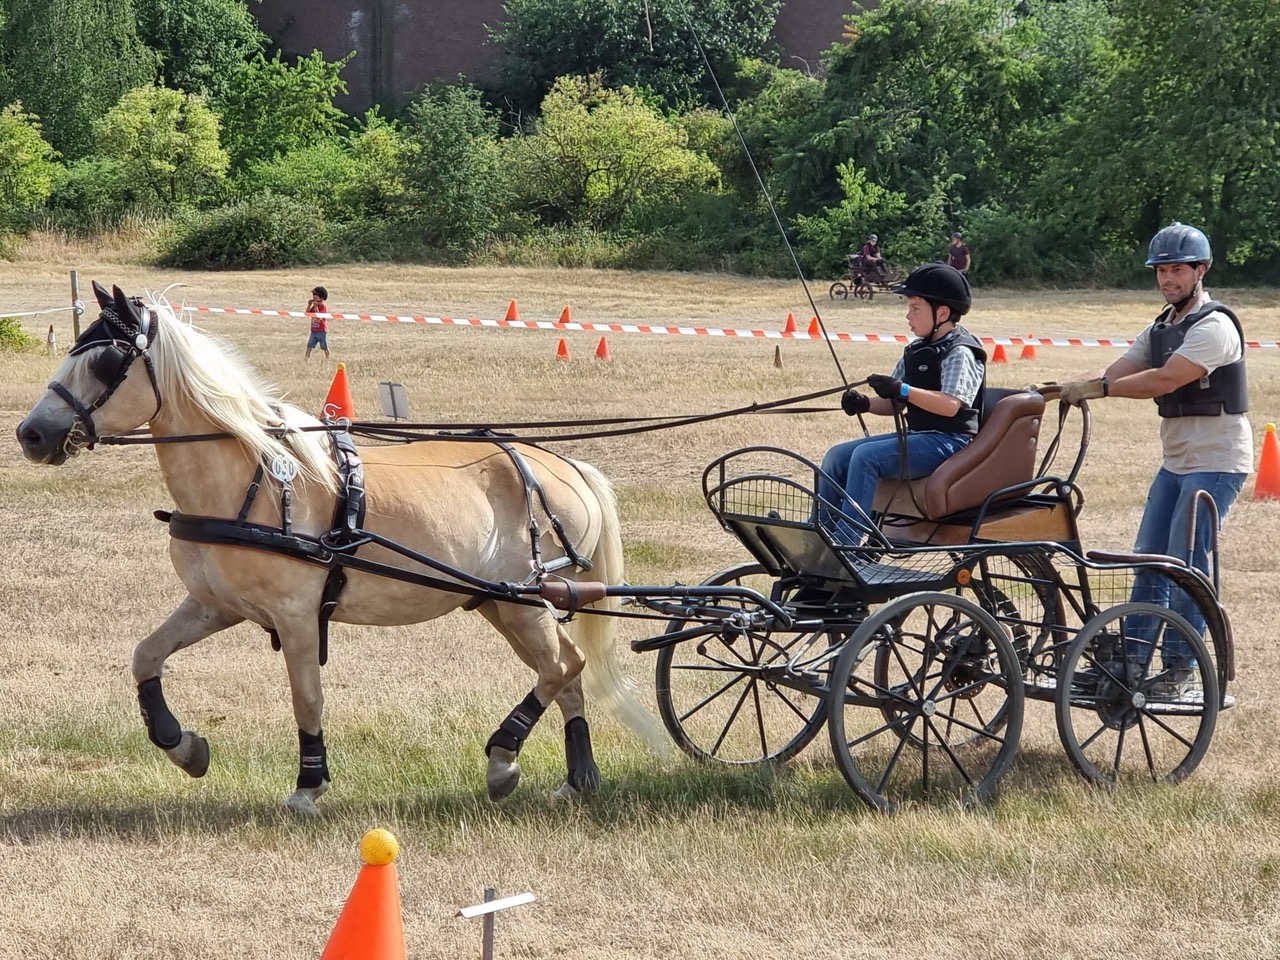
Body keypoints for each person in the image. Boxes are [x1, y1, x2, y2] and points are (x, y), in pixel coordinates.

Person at [1059, 222, 1251, 694]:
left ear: (1200, 271)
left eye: (1177, 270)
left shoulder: (1216, 326)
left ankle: (1183, 670)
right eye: (1161, 270)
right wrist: (1061, 387)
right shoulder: (1161, 326)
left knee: (1186, 562)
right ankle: (1132, 664)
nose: (1168, 279)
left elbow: (1164, 380)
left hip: (1218, 460)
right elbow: (1118, 371)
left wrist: (1101, 389)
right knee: (1148, 558)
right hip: (1177, 460)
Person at [818, 263, 985, 542]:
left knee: (866, 457)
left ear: (942, 313)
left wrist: (902, 389)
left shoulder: (960, 351)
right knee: (837, 455)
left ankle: (846, 543)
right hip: (919, 437)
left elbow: (951, 404)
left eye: (915, 308)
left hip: (950, 443)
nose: (908, 316)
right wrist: (865, 404)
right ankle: (820, 532)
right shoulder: (917, 350)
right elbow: (896, 403)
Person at [305, 285, 331, 360]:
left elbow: (319, 316)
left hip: (322, 330)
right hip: (314, 330)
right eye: (313, 299)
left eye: (316, 299)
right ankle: (306, 359)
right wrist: (309, 305)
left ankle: (328, 359)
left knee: (324, 347)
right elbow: (308, 313)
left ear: (322, 299)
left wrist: (316, 307)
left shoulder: (323, 307)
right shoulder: (314, 306)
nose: (314, 301)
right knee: (309, 346)